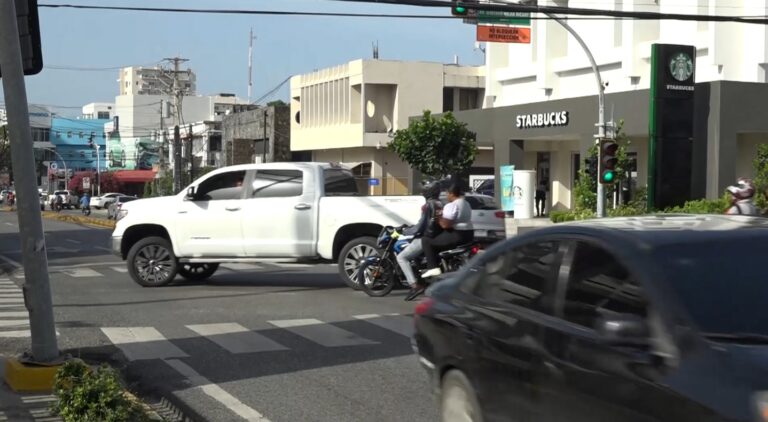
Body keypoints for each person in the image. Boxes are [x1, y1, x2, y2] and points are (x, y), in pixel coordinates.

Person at [395, 182, 443, 301]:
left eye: (424, 190)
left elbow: (420, 227)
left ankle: (414, 285)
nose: (423, 192)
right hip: (437, 236)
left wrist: (405, 231)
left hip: (425, 237)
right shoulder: (440, 203)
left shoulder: (428, 205)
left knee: (401, 257)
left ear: (428, 191)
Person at [421, 183, 474, 279]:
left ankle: (433, 267)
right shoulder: (466, 203)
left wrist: (438, 216)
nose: (446, 196)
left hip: (457, 234)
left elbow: (445, 225)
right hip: (469, 234)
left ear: (451, 193)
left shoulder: (452, 205)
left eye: (447, 194)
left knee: (426, 240)